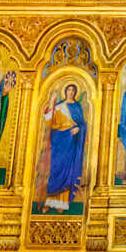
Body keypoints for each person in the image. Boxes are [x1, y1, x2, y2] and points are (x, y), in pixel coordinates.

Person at [40, 83, 87, 212]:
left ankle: (61, 203)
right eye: (69, 90)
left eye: (73, 90)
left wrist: (79, 128)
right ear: (65, 91)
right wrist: (51, 102)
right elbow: (49, 120)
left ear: (75, 92)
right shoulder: (59, 105)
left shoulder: (76, 107)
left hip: (70, 140)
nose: (70, 92)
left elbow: (82, 124)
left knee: (67, 171)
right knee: (55, 169)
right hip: (58, 140)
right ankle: (49, 201)